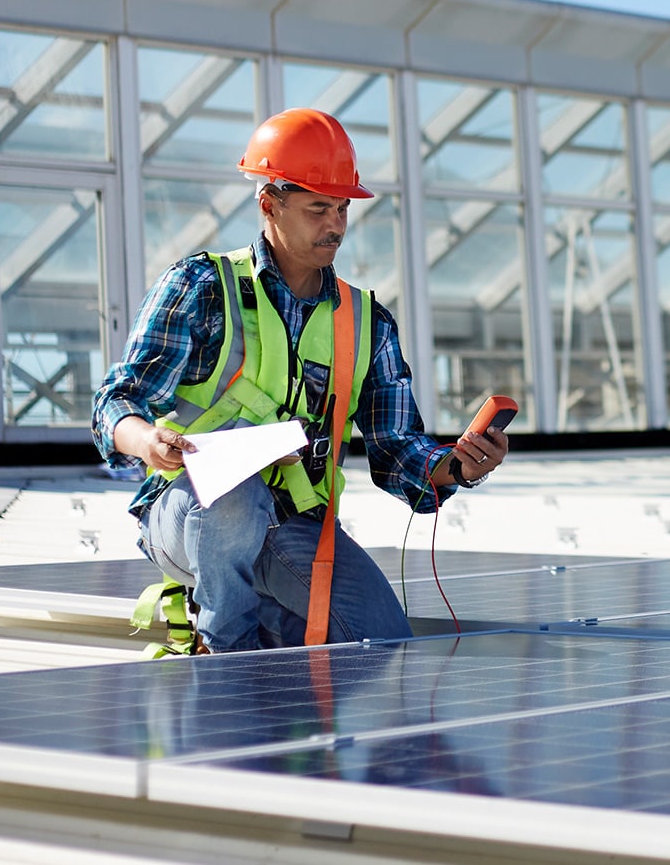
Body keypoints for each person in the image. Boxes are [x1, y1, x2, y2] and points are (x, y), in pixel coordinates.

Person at [91, 108, 508, 652]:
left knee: (379, 640)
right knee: (233, 496)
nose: (335, 224)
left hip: (293, 525)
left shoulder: (365, 322)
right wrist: (146, 440)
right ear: (270, 204)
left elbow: (397, 448)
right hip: (187, 514)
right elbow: (114, 403)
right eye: (318, 208)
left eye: (341, 209)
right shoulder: (200, 288)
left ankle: (280, 678)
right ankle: (224, 653)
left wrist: (456, 466)